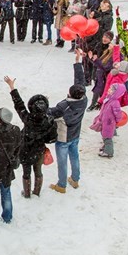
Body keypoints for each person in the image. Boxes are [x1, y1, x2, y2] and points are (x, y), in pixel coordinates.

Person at [4, 76, 57, 198]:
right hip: (39, 150)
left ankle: (27, 193)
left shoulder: (27, 119)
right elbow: (52, 138)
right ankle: (36, 192)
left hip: (25, 150)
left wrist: (12, 87)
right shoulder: (49, 121)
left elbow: (19, 104)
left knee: (26, 172)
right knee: (38, 171)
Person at [48, 50, 88, 194]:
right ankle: (75, 179)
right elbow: (80, 81)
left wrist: (41, 103)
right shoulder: (84, 100)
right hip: (75, 134)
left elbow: (49, 112)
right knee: (75, 156)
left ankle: (61, 184)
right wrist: (77, 63)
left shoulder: (63, 107)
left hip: (63, 137)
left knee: (62, 162)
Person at [90, 83, 126, 158]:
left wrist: (117, 121)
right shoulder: (108, 99)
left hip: (109, 122)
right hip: (104, 121)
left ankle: (108, 152)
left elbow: (118, 113)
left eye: (111, 90)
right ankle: (105, 147)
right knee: (104, 135)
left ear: (116, 92)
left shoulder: (115, 102)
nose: (109, 90)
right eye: (110, 88)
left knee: (107, 137)